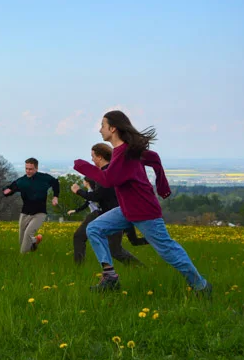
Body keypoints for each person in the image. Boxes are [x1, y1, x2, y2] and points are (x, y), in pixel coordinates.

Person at [73, 110, 212, 294]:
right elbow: (153, 158)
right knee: (94, 229)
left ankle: (201, 286)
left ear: (112, 128)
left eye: (103, 126)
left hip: (144, 210)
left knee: (167, 250)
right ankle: (110, 277)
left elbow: (108, 180)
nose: (100, 130)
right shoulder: (126, 151)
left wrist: (83, 166)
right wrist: (161, 186)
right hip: (127, 209)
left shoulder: (123, 153)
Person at [69, 144, 142, 266]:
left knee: (115, 250)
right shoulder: (106, 171)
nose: (92, 159)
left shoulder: (107, 173)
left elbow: (97, 196)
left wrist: (78, 191)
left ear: (100, 157)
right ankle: (79, 268)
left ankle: (140, 267)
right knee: (79, 236)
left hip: (113, 215)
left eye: (93, 156)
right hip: (101, 212)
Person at [2, 158, 60, 253]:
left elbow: (55, 183)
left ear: (36, 168)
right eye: (26, 169)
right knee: (22, 239)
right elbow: (9, 188)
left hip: (40, 212)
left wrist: (55, 196)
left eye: (31, 169)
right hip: (25, 212)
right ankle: (34, 242)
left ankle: (23, 258)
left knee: (28, 233)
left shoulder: (44, 178)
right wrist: (6, 191)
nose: (28, 171)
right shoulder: (22, 181)